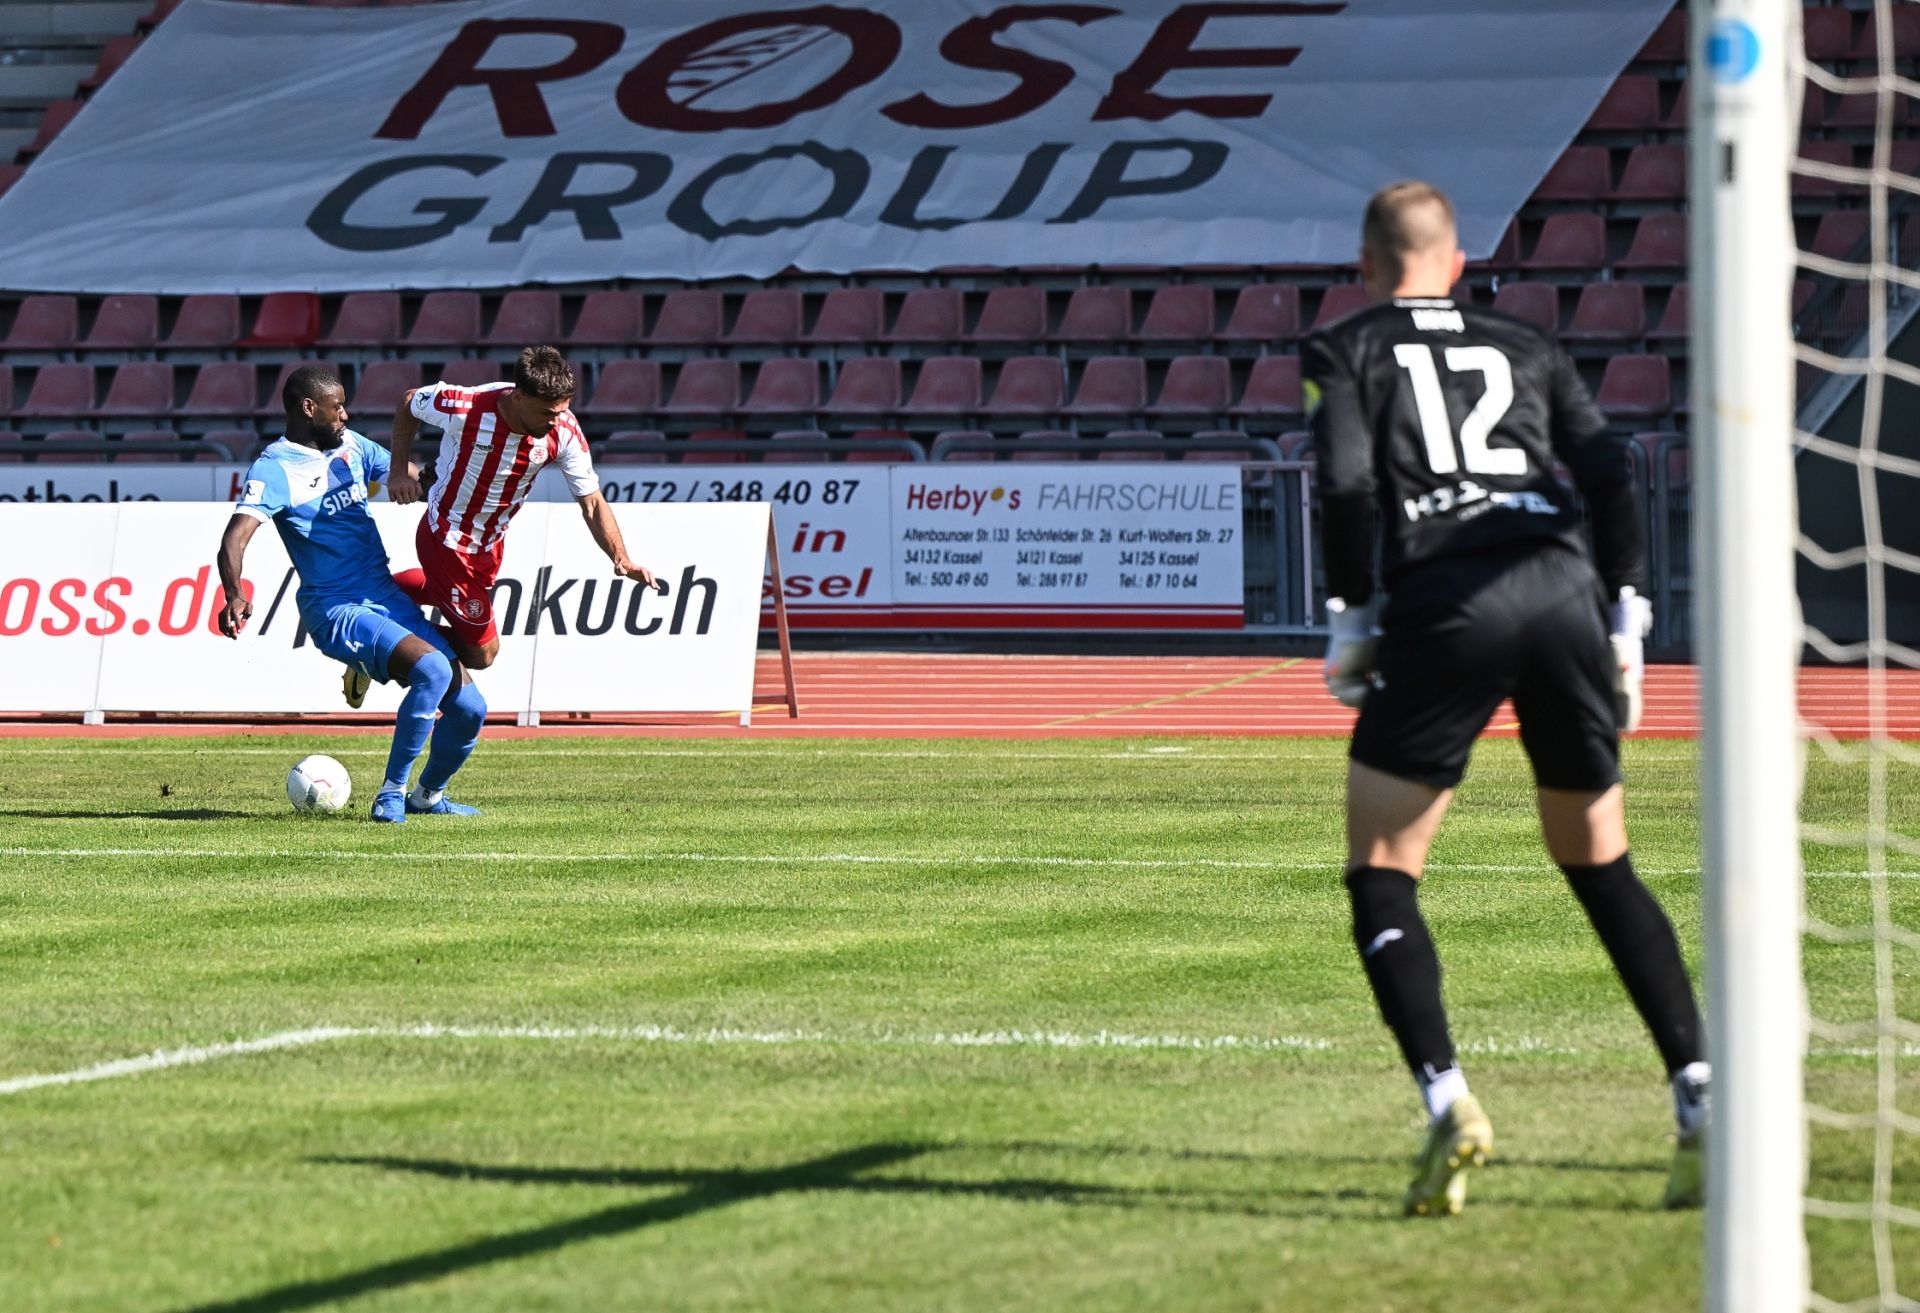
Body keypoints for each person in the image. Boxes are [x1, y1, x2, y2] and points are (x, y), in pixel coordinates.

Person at [1302, 181, 1708, 1217]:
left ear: (1366, 264)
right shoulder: (1526, 340)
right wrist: (1626, 618)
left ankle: (1450, 1100)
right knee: (1600, 859)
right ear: (1457, 261)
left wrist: (1351, 618)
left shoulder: (1345, 347)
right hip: (1562, 583)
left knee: (1383, 869)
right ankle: (1700, 1092)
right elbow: (1609, 466)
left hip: (1449, 597)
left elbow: (1346, 485)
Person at [216, 365, 486, 825]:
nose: (345, 414)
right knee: (434, 670)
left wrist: (434, 482)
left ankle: (428, 796)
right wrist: (234, 593)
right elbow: (234, 538)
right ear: (309, 408)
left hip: (382, 594)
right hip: (335, 607)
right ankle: (391, 794)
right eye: (337, 406)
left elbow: (409, 478)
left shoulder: (353, 446)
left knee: (470, 709)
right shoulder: (275, 468)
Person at [338, 345, 658, 706]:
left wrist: (620, 557)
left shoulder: (563, 430)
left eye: (562, 410)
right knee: (482, 653)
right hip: (447, 539)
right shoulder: (467, 406)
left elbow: (593, 502)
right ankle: (378, 645)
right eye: (547, 412)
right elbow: (410, 401)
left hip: (489, 545)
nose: (555, 421)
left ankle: (369, 599)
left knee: (438, 594)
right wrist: (398, 471)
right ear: (519, 397)